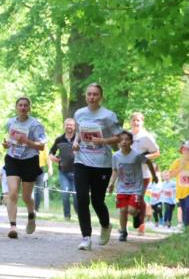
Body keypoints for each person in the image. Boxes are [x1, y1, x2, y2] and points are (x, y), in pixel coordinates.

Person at [72, 83, 123, 250]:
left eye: (95, 94)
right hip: (82, 161)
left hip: (102, 163)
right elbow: (79, 132)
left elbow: (119, 137)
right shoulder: (79, 113)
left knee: (97, 200)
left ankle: (106, 225)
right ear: (86, 96)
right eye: (89, 94)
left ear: (100, 96)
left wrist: (103, 141)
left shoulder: (108, 115)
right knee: (81, 199)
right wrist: (75, 142)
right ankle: (86, 237)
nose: (91, 97)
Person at [1, 97, 47, 238]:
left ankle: (31, 215)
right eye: (20, 105)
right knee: (12, 192)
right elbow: (9, 140)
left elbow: (42, 145)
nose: (22, 107)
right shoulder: (10, 122)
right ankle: (13, 227)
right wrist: (6, 144)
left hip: (29, 161)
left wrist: (27, 141)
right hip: (13, 159)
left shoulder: (35, 125)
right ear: (16, 107)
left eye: (25, 105)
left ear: (29, 108)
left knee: (27, 196)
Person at [108, 131, 158, 241]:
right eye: (121, 140)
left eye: (127, 139)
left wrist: (154, 176)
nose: (124, 142)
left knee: (131, 210)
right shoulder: (115, 156)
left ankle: (137, 214)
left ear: (131, 142)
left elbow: (148, 162)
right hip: (122, 187)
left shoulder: (137, 155)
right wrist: (111, 184)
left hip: (136, 187)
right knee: (122, 210)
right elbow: (115, 171)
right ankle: (123, 231)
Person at [129, 112, 160, 234]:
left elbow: (157, 153)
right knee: (131, 202)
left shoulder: (146, 137)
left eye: (138, 120)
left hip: (143, 175)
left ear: (142, 122)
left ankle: (140, 223)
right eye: (134, 120)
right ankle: (137, 216)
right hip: (128, 174)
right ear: (130, 121)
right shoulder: (127, 135)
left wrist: (144, 157)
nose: (136, 122)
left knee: (135, 204)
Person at [50, 118, 79, 219]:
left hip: (77, 172)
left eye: (71, 125)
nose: (69, 127)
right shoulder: (59, 139)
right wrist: (52, 157)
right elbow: (51, 152)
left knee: (76, 196)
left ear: (74, 127)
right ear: (64, 126)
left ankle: (79, 213)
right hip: (64, 172)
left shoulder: (78, 139)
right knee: (65, 194)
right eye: (67, 125)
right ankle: (67, 216)